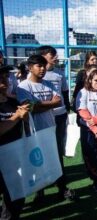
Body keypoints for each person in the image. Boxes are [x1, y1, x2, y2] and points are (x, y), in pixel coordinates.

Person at [37, 45, 76, 201]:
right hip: (41, 119)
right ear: (43, 57)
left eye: (55, 54)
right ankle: (40, 191)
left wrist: (66, 109)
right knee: (40, 153)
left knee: (57, 151)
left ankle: (61, 186)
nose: (55, 56)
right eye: (51, 54)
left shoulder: (60, 74)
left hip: (59, 117)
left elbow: (65, 93)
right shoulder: (34, 76)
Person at [0, 65, 29, 220]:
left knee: (16, 195)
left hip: (15, 155)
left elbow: (23, 126)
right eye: (1, 78)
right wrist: (16, 117)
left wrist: (24, 118)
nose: (6, 80)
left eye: (6, 77)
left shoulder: (13, 101)